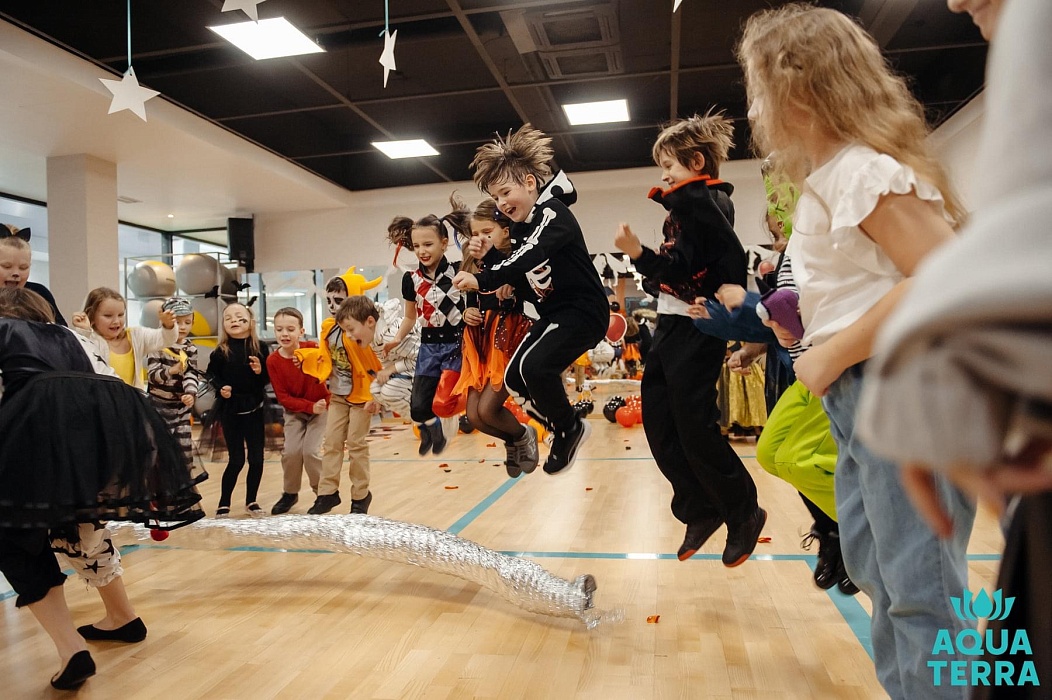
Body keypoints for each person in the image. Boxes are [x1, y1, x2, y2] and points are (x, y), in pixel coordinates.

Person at [737, 5, 975, 697]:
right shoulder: (826, 182)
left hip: (899, 386)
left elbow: (945, 275)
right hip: (857, 393)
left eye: (759, 90)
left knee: (921, 588)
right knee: (877, 568)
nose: (754, 109)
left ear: (798, 92)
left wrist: (834, 351)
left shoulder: (864, 173)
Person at [858, 0, 1048, 694]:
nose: (953, 3)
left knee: (925, 591)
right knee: (897, 580)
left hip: (873, 382)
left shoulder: (865, 173)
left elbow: (1022, 229)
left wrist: (931, 366)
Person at [0, 287, 202, 690]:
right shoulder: (69, 335)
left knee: (14, 537)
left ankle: (71, 647)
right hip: (104, 434)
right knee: (82, 524)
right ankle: (122, 617)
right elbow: (108, 377)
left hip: (37, 438)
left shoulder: (4, 332)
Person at [614, 111, 765, 566]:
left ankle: (742, 511)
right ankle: (699, 508)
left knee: (695, 426)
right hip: (672, 323)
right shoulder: (689, 206)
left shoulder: (707, 203)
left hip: (697, 327)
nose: (664, 177)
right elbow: (680, 267)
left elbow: (687, 266)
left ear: (696, 162)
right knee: (660, 421)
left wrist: (638, 254)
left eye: (670, 167)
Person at [453, 124, 608, 475]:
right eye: (496, 198)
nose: (502, 203)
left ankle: (568, 427)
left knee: (535, 368)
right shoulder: (524, 228)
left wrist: (483, 277)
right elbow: (526, 279)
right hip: (553, 315)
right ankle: (563, 426)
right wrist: (490, 258)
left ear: (529, 182)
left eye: (506, 192)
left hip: (583, 313)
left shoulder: (554, 213)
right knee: (515, 378)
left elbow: (528, 257)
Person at [453, 197, 539, 477]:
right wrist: (467, 312)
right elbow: (470, 299)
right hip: (480, 341)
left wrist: (513, 286)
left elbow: (531, 292)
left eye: (487, 232)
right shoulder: (472, 261)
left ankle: (522, 435)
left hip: (506, 337)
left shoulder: (517, 259)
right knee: (474, 416)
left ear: (505, 229)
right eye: (475, 234)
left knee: (488, 410)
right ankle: (514, 440)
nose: (481, 239)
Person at [385, 199, 468, 457]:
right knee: (418, 408)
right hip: (429, 347)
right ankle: (434, 431)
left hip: (456, 345)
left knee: (443, 402)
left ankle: (462, 413)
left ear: (444, 243)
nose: (422, 251)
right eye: (417, 246)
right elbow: (410, 317)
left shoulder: (458, 271)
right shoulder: (411, 279)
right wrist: (396, 339)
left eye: (428, 244)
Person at [297, 284, 382, 516]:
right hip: (338, 394)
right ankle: (327, 493)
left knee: (356, 444)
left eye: (339, 300)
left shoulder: (360, 331)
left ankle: (361, 495)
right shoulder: (328, 328)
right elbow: (325, 356)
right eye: (329, 301)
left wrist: (377, 396)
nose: (334, 306)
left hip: (362, 395)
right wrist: (304, 357)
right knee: (332, 442)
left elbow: (375, 364)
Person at [205, 302, 270, 518]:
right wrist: (220, 387)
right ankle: (224, 502)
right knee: (236, 460)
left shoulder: (260, 348)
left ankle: (252, 501)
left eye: (239, 317)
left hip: (255, 408)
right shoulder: (220, 351)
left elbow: (267, 378)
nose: (234, 320)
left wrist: (260, 371)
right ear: (223, 325)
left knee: (257, 459)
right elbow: (211, 375)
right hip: (230, 410)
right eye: (228, 318)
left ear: (250, 322)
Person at [266, 307, 329, 515]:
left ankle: (323, 494)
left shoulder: (313, 348)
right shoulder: (273, 361)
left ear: (301, 331)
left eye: (290, 329)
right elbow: (283, 397)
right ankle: (290, 493)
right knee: (291, 452)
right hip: (295, 411)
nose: (284, 334)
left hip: (321, 408)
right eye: (279, 330)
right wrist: (309, 406)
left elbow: (328, 368)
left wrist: (319, 405)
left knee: (310, 452)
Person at [71, 287, 178, 388]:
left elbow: (165, 339)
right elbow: (83, 358)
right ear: (91, 316)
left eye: (121, 315)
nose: (116, 321)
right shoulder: (91, 340)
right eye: (108, 316)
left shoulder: (136, 336)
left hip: (132, 400)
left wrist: (168, 325)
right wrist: (84, 331)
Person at [145, 297, 200, 478]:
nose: (182, 327)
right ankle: (159, 487)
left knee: (185, 450)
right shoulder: (157, 345)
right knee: (159, 449)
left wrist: (190, 392)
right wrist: (171, 371)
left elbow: (191, 373)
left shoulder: (190, 348)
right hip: (159, 407)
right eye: (177, 322)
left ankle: (184, 486)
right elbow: (152, 375)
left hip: (180, 408)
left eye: (187, 322)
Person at [0, 230, 66, 325]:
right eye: (7, 266)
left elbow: (59, 329)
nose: (16, 273)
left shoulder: (39, 293)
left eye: (23, 268)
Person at [367, 298, 418, 418]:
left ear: (370, 322)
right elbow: (391, 362)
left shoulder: (389, 335)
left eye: (351, 329)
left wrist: (391, 369)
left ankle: (428, 418)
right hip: (412, 369)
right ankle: (419, 421)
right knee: (376, 388)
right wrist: (378, 401)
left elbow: (422, 357)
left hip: (433, 366)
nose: (349, 335)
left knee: (389, 391)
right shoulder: (374, 340)